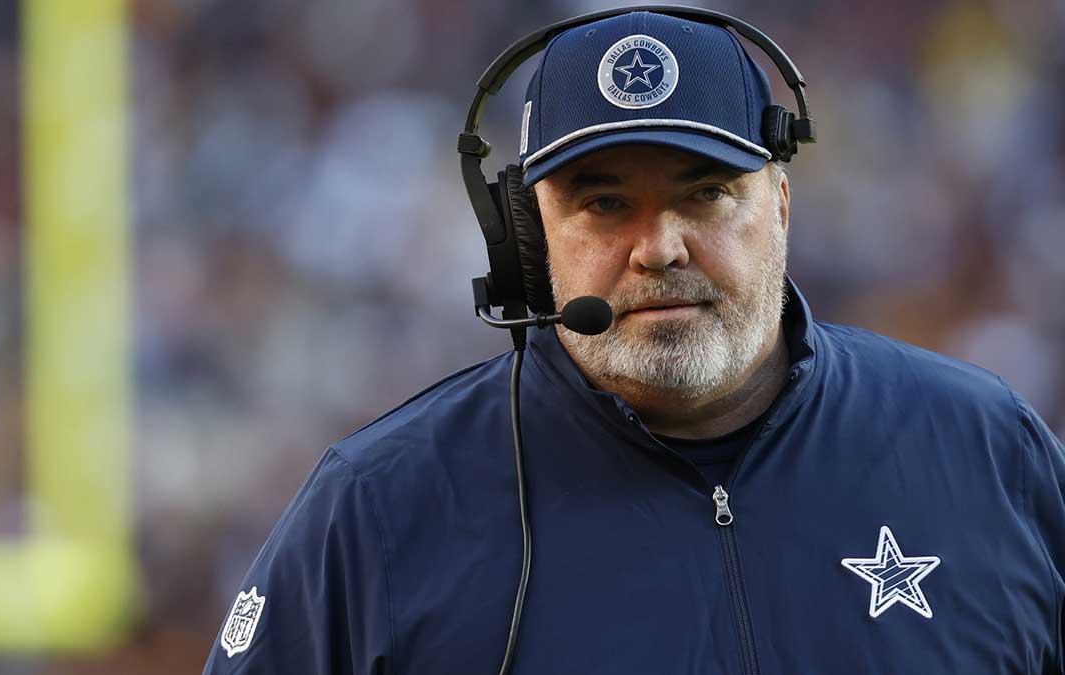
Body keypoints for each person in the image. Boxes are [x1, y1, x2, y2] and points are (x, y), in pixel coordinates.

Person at [203, 9, 1065, 675]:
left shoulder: (984, 447)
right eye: (606, 203)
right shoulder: (378, 510)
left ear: (782, 206)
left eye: (705, 193)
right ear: (530, 239)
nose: (660, 246)